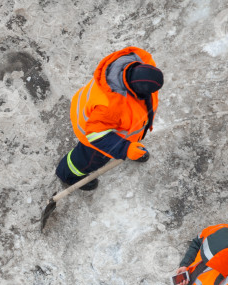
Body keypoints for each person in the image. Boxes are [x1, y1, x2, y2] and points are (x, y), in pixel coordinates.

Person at [56, 46, 164, 191]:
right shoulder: (112, 107)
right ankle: (68, 174)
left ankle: (132, 149)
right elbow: (96, 136)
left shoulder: (140, 62)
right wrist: (125, 149)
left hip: (102, 118)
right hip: (94, 131)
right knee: (90, 159)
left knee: (122, 143)